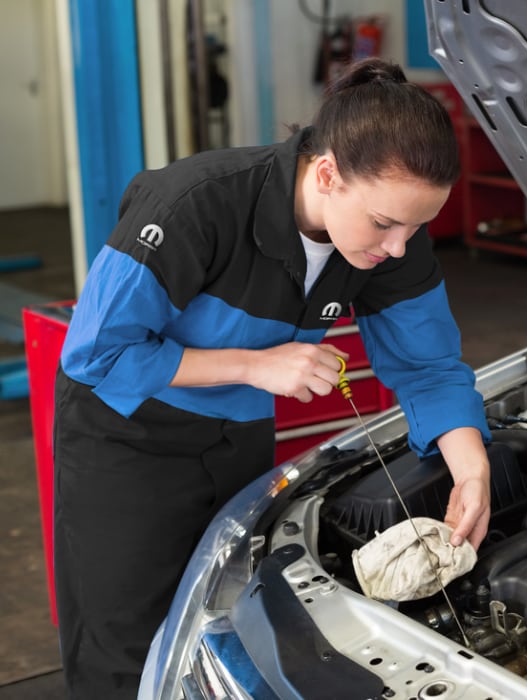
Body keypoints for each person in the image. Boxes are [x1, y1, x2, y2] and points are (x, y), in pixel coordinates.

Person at [52, 57, 491, 699]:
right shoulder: (194, 203)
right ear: (326, 173)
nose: (399, 247)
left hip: (238, 437)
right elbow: (95, 353)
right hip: (128, 440)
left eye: (417, 227)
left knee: (221, 622)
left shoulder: (390, 239)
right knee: (124, 648)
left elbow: (428, 366)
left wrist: (471, 467)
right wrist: (255, 365)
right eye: (384, 224)